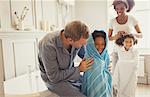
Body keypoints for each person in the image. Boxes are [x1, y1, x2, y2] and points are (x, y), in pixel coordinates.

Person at [38, 20, 94, 97]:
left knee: (92, 87)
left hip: (69, 73)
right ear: (70, 40)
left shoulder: (75, 37)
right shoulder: (48, 45)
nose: (84, 45)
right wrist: (79, 69)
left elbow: (85, 55)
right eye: (82, 43)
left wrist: (99, 62)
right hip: (54, 80)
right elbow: (54, 77)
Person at [81, 30, 112, 97]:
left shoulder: (105, 55)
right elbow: (94, 77)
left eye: (103, 44)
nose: (100, 47)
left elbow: (106, 69)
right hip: (95, 87)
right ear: (91, 45)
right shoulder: (89, 58)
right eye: (96, 44)